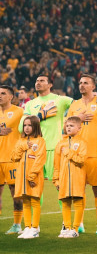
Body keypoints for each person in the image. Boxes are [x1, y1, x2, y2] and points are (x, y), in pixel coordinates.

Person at [67, 74, 97, 234]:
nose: (82, 85)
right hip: (78, 154)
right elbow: (66, 127)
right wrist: (76, 117)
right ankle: (79, 224)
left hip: (96, 153)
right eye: (80, 82)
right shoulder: (75, 105)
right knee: (79, 191)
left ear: (93, 86)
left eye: (86, 83)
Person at [21, 75, 73, 180]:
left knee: (58, 182)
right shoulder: (30, 104)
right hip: (35, 148)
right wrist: (38, 117)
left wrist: (96, 96)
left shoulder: (60, 100)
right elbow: (20, 127)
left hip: (54, 147)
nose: (38, 83)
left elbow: (80, 104)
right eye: (37, 81)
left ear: (50, 85)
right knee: (34, 183)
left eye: (42, 81)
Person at [12, 115, 46, 239]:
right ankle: (27, 227)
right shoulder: (20, 141)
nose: (26, 128)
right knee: (25, 201)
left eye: (29, 125)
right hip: (21, 177)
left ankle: (35, 228)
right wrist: (23, 147)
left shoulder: (40, 141)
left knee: (35, 201)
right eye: (25, 125)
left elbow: (40, 159)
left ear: (35, 126)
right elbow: (14, 157)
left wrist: (32, 176)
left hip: (34, 177)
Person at [53, 116, 87, 239]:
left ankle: (75, 229)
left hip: (77, 178)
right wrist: (56, 179)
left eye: (71, 125)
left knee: (78, 202)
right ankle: (66, 228)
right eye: (67, 125)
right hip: (63, 178)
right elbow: (56, 164)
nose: (68, 127)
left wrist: (69, 152)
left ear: (79, 128)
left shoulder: (82, 143)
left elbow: (81, 160)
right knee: (65, 202)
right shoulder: (60, 143)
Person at [0, 85, 24, 235]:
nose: (0, 96)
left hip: (12, 158)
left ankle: (17, 224)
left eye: (3, 93)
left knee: (15, 192)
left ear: (10, 96)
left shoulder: (19, 112)